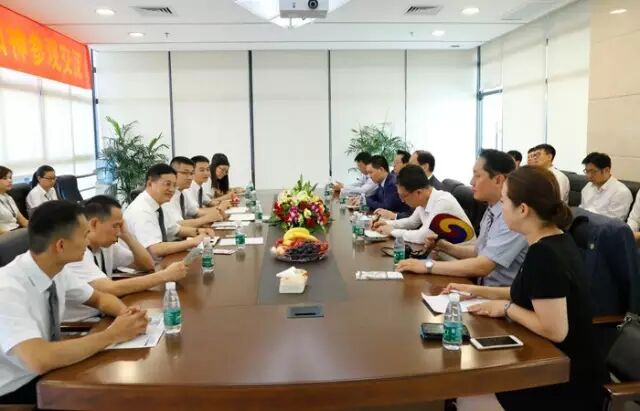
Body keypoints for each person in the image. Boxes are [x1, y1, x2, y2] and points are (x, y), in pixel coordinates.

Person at [446, 166, 606, 411]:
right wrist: (476, 291)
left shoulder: (544, 254)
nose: (501, 209)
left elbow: (555, 330)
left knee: (467, 396)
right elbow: (532, 292)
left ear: (523, 209)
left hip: (562, 379)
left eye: (503, 202)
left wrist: (506, 308)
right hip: (554, 364)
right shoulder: (556, 239)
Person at [0, 201, 148, 404]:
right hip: (16, 389)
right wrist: (113, 334)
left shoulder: (56, 269)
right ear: (60, 245)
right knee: (120, 398)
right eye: (85, 235)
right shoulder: (7, 289)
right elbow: (39, 360)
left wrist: (127, 315)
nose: (88, 242)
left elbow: (100, 298)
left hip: (49, 372)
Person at [397, 149, 528, 287]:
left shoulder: (513, 216)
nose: (471, 182)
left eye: (477, 176)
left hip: (498, 294)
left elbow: (483, 266)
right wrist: (443, 246)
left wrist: (427, 266)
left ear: (498, 180)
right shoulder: (491, 209)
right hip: (480, 287)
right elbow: (479, 252)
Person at [64, 195, 189, 322]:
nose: (118, 232)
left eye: (121, 225)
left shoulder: (107, 246)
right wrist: (165, 275)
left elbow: (147, 264)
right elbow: (110, 289)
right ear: (94, 224)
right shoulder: (76, 254)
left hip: (105, 316)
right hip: (83, 325)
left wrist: (127, 235)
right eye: (115, 226)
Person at [123, 164, 212, 259]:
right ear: (150, 184)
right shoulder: (142, 210)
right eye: (167, 184)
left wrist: (199, 231)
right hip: (143, 265)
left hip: (159, 260)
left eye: (174, 185)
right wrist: (192, 242)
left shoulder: (159, 204)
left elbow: (174, 229)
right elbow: (155, 249)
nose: (172, 190)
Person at [372, 165, 473, 244]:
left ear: (419, 193)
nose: (402, 201)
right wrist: (386, 223)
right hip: (441, 253)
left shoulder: (443, 202)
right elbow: (411, 222)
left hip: (461, 259)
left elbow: (423, 236)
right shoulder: (424, 200)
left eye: (403, 196)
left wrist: (392, 231)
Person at [164, 156, 224, 234]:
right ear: (172, 174)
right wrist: (206, 219)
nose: (190, 177)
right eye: (185, 173)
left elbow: (196, 212)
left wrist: (217, 213)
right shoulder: (167, 195)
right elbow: (176, 225)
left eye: (191, 173)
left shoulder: (183, 192)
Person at [579, 152, 632, 221]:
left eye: (593, 172)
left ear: (606, 170)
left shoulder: (621, 192)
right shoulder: (588, 186)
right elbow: (581, 209)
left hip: (603, 227)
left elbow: (613, 222)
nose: (589, 175)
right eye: (587, 171)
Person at [0, 166, 28, 235]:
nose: (10, 181)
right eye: (5, 178)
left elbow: (23, 221)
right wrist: (18, 236)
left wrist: (37, 228)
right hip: (5, 236)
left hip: (16, 232)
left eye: (10, 178)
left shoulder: (9, 197)